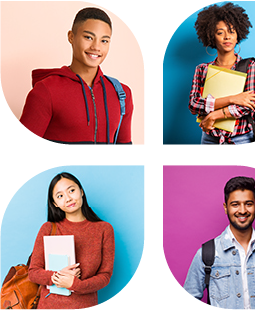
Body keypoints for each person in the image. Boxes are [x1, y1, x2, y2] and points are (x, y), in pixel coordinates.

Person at [20, 7, 133, 145]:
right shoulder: (46, 91)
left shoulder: (121, 94)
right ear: (71, 37)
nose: (96, 47)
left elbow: (125, 155)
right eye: (88, 37)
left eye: (104, 41)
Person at [183, 176, 255, 309]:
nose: (242, 210)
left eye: (248, 204)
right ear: (225, 207)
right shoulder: (206, 253)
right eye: (235, 204)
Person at [29, 172, 115, 310]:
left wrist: (75, 284)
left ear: (81, 191)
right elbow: (33, 272)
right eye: (60, 196)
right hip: (49, 306)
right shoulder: (48, 228)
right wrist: (58, 276)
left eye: (72, 190)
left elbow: (105, 275)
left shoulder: (104, 229)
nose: (68, 198)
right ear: (54, 203)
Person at [188, 2, 255, 145]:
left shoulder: (249, 66)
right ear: (211, 37)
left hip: (241, 139)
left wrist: (214, 115)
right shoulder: (202, 69)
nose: (227, 37)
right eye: (220, 32)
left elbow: (248, 105)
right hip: (209, 139)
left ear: (238, 35)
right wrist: (233, 98)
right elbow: (194, 104)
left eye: (231, 31)